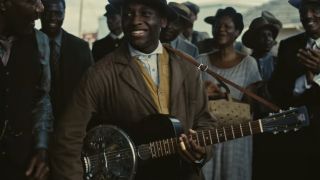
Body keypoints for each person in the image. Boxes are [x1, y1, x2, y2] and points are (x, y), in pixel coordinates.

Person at [50, 0, 216, 180]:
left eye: (145, 13)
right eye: (128, 14)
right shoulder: (100, 73)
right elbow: (68, 138)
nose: (135, 20)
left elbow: (205, 122)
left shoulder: (188, 68)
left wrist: (201, 152)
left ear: (163, 21)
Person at [255, 0, 320, 180]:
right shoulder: (289, 46)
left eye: (315, 9)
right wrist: (303, 83)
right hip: (293, 138)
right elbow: (277, 90)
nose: (307, 15)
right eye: (303, 9)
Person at [197, 7, 261, 180]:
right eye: (217, 25)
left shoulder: (249, 64)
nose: (221, 29)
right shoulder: (200, 61)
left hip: (236, 137)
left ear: (238, 32)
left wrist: (221, 98)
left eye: (227, 26)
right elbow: (190, 99)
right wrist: (202, 94)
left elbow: (250, 108)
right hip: (207, 136)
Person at [0, 0, 53, 179]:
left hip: (22, 164)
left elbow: (41, 99)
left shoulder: (41, 42)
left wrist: (42, 146)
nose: (41, 8)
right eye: (31, 1)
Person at [40, 0, 94, 124]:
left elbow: (90, 90)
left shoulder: (81, 47)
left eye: (57, 13)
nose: (52, 18)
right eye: (48, 12)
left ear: (64, 13)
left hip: (71, 124)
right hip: (33, 126)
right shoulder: (27, 44)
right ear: (41, 12)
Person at [242, 11, 282, 81]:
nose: (268, 39)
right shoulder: (245, 64)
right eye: (262, 35)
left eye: (270, 35)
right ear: (254, 40)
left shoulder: (278, 62)